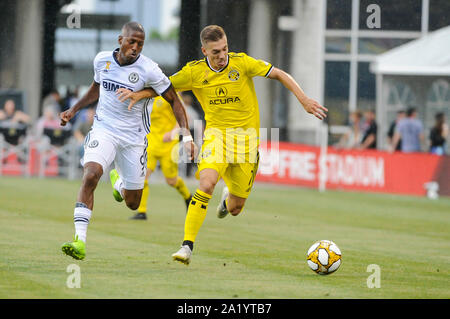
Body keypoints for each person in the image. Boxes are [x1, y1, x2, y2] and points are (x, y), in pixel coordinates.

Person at [117, 25, 327, 265]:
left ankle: (228, 199)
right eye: (216, 51)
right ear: (204, 50)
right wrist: (137, 94)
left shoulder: (242, 63)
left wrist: (304, 100)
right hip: (217, 138)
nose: (222, 55)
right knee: (206, 184)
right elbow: (162, 87)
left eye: (225, 48)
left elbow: (278, 73)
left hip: (247, 145)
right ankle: (186, 246)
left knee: (236, 208)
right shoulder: (194, 73)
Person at [59, 21, 194, 261]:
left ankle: (119, 183)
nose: (136, 47)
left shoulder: (149, 69)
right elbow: (96, 89)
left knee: (133, 202)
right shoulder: (102, 60)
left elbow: (174, 99)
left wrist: (185, 135)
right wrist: (74, 109)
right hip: (104, 130)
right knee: (90, 175)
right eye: (132, 42)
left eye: (140, 44)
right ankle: (79, 240)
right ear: (120, 40)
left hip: (134, 139)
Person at [131, 96, 193, 220]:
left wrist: (173, 132)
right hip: (150, 143)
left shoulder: (168, 94)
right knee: (143, 176)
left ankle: (188, 197)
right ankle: (142, 211)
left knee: (171, 181)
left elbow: (185, 115)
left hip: (168, 145)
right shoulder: (145, 95)